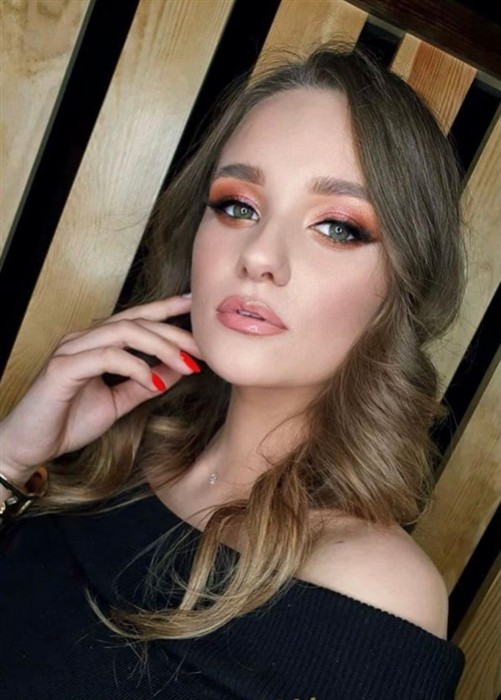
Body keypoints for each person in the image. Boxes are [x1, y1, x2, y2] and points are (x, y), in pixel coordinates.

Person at [0, 39, 467, 699]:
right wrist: (11, 456)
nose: (258, 256)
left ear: (400, 288)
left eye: (337, 227)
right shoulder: (112, 458)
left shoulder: (373, 588)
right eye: (237, 205)